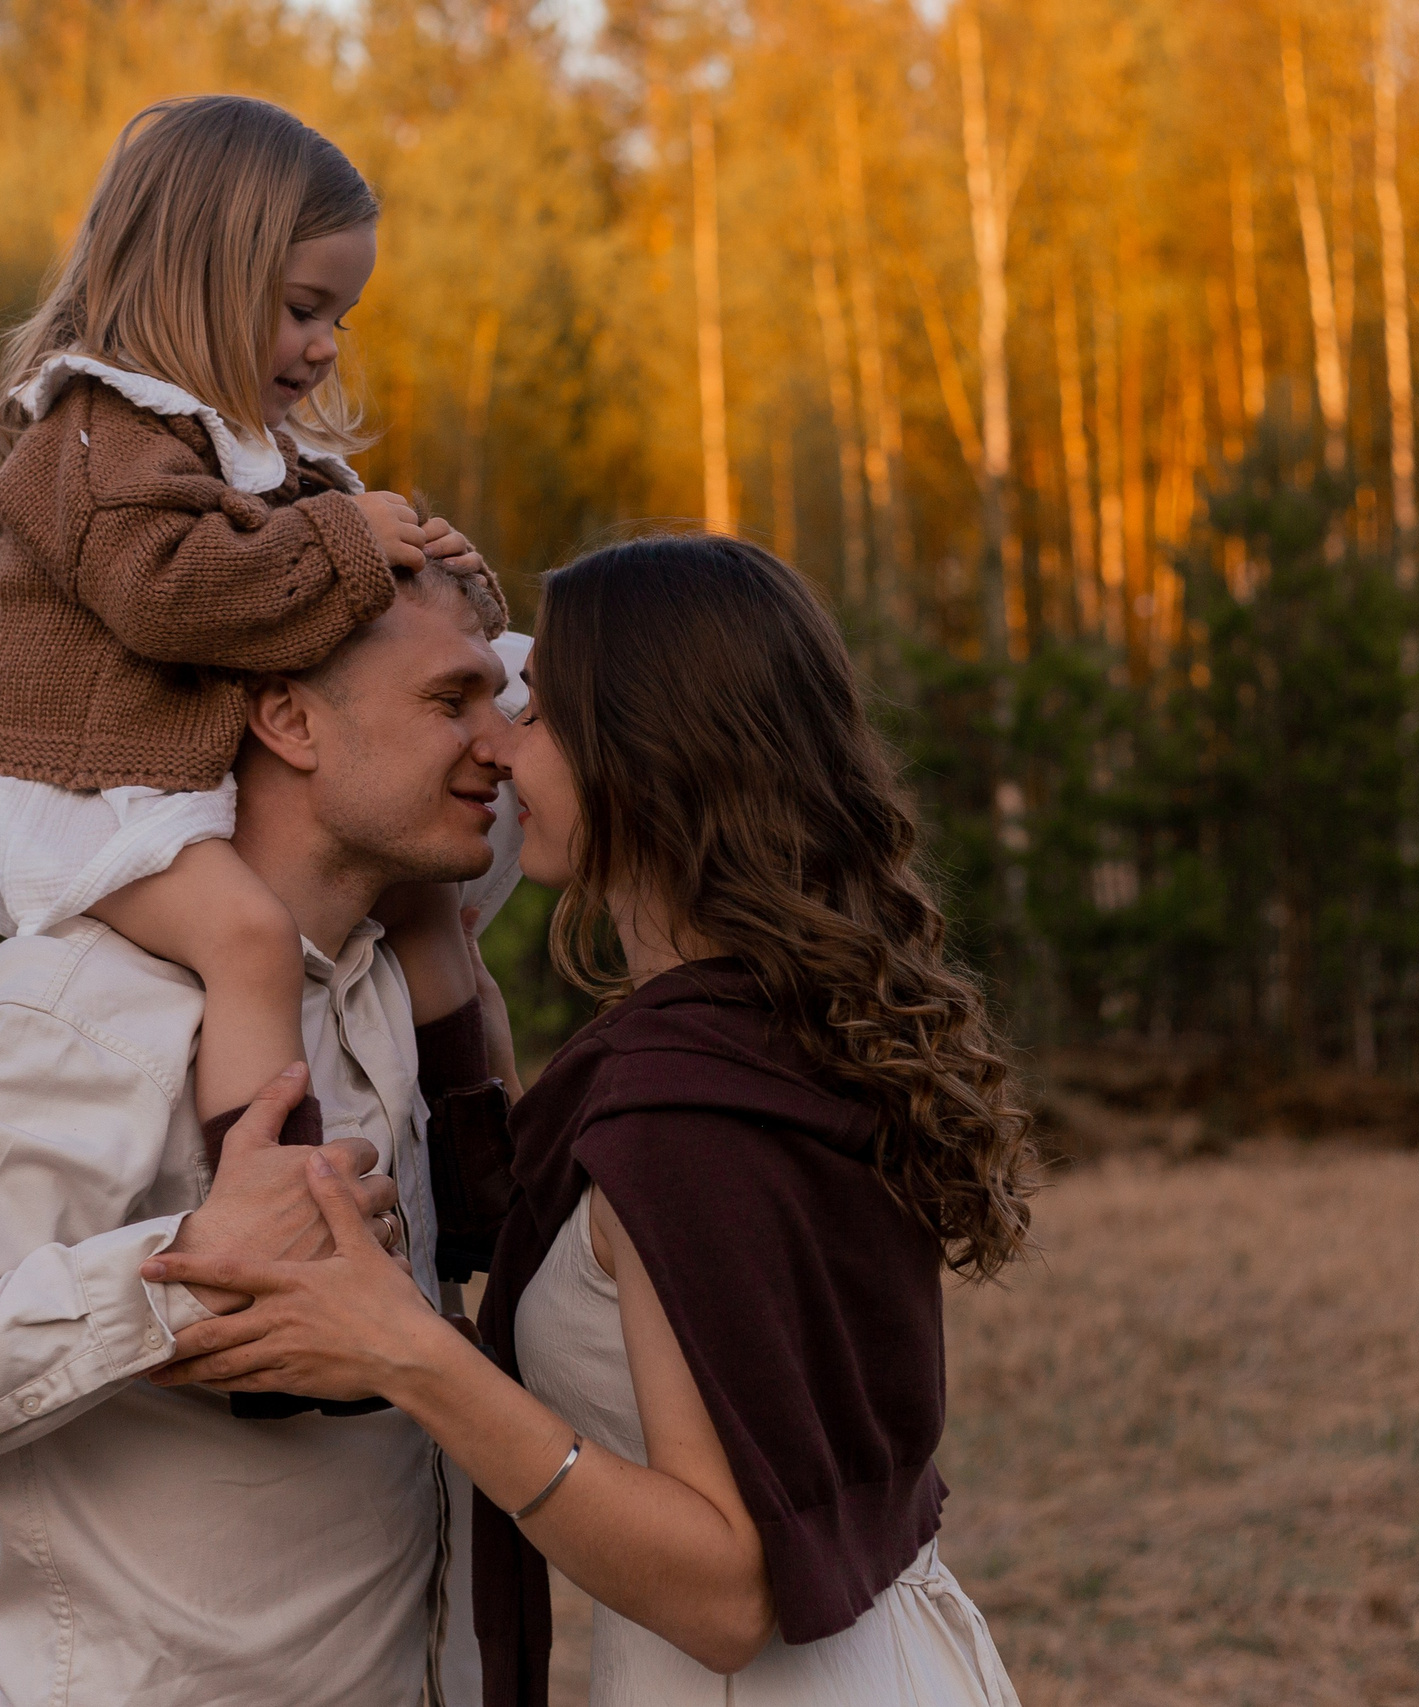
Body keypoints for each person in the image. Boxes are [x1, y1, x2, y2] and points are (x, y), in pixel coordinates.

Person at [141, 535, 1041, 1706]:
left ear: (649, 755)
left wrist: (403, 1351)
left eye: (542, 715)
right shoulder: (767, 1032)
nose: (501, 748)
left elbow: (726, 1596)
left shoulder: (690, 1112)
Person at [0, 562, 519, 1706]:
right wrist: (176, 1285)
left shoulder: (389, 978)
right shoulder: (56, 1013)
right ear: (286, 718)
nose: (497, 744)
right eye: (450, 700)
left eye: (499, 704)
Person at [0, 91, 504, 1146]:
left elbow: (327, 613)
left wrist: (444, 581)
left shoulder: (247, 453)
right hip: (71, 785)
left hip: (157, 771)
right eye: (302, 308)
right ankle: (273, 1196)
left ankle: (480, 1163)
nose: (325, 345)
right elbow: (168, 597)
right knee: (250, 939)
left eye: (339, 318)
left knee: (424, 904)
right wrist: (347, 539)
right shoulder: (97, 432)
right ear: (193, 281)